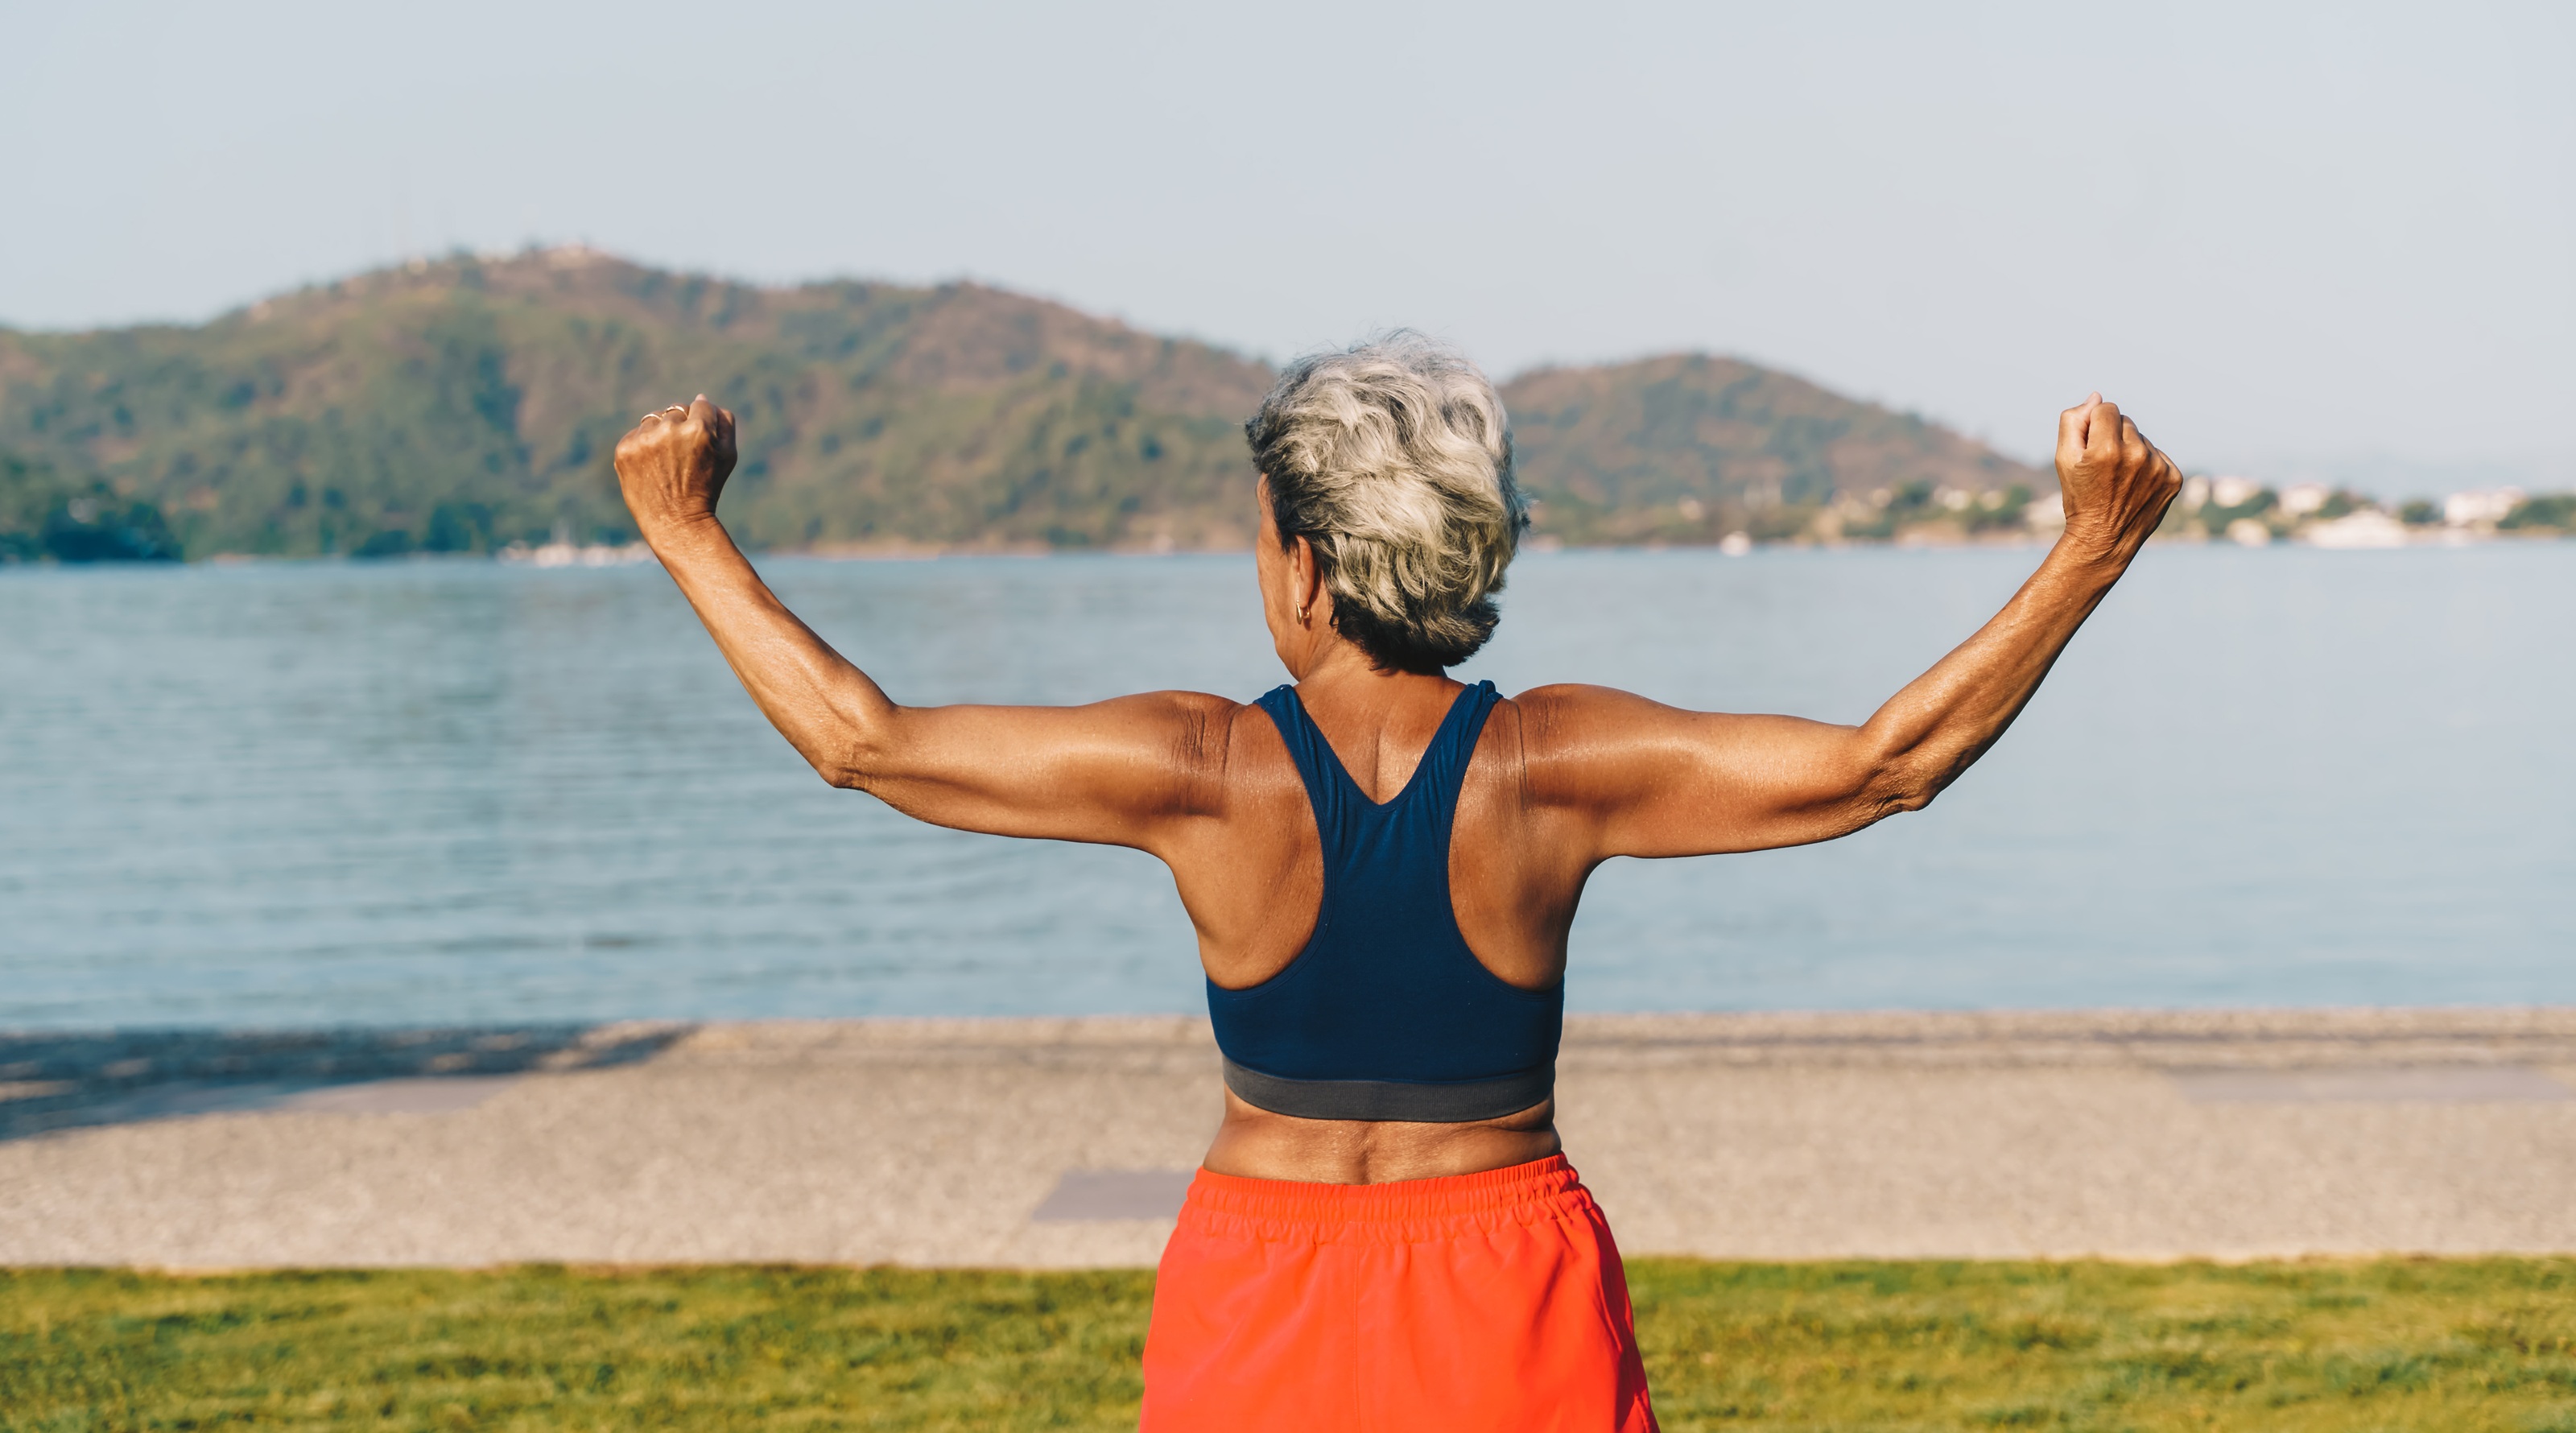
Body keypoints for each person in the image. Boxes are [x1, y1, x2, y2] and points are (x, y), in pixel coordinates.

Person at [611, 333, 2181, 1433]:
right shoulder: (1549, 765)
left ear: (1301, 562)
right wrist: (2087, 552)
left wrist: (687, 534)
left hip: (1258, 1275)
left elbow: (862, 742)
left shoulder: (1203, 767)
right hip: (1505, 1271)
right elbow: (1884, 762)